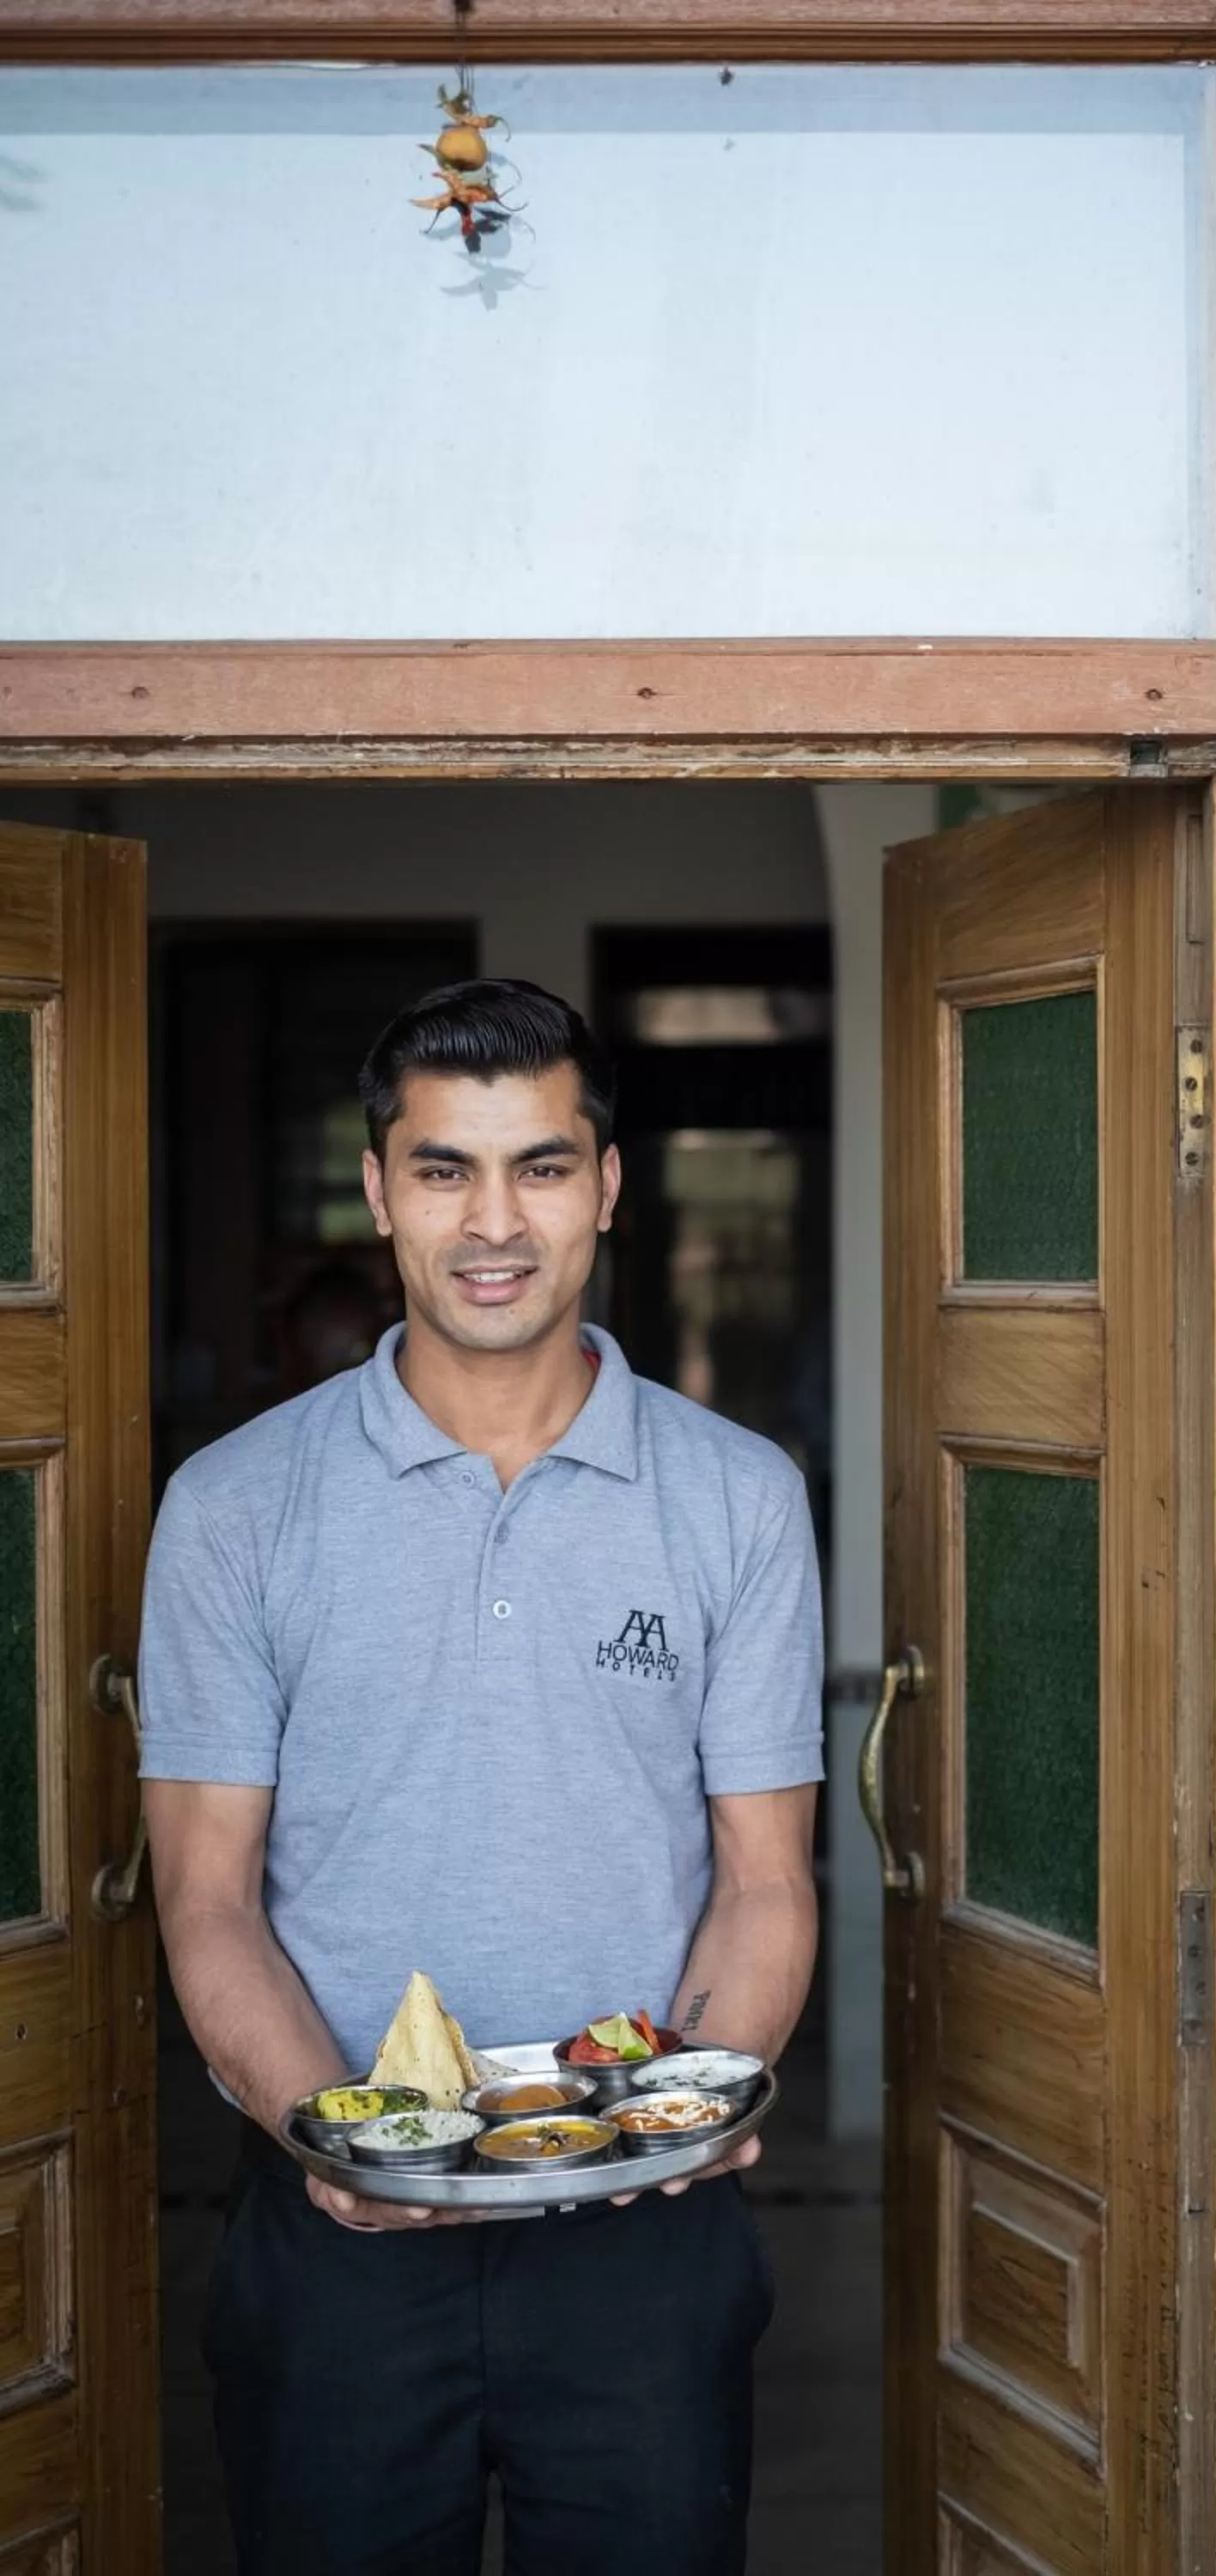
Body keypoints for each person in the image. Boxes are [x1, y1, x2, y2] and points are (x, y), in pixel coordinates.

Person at [140, 978, 824, 2576]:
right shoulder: (237, 1507)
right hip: (335, 2245)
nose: (492, 1221)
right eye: (445, 1168)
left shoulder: (737, 1499)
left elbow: (768, 1879)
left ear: (606, 1185)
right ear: (380, 1190)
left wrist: (695, 2100)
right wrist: (341, 2141)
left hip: (641, 2239)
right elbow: (205, 1896)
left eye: (538, 1165)